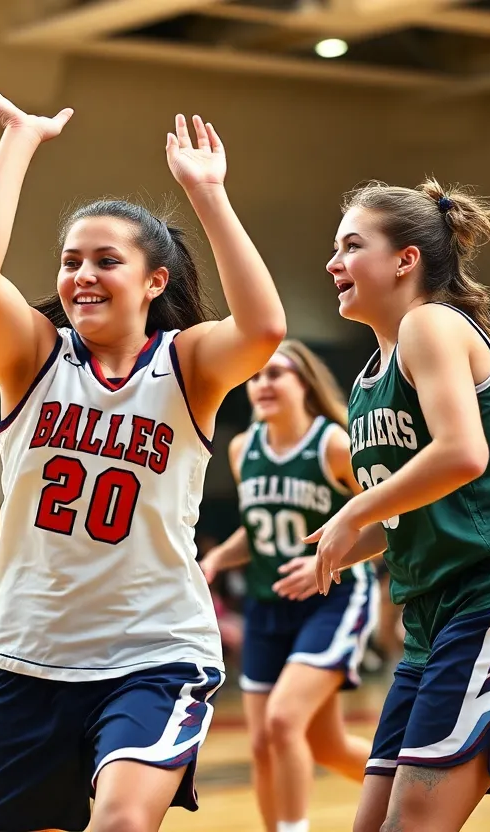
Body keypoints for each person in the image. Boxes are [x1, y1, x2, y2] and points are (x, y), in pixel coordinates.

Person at [0, 64, 286, 832]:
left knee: (123, 823)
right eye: (69, 260)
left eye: (105, 260)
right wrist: (18, 140)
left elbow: (263, 329)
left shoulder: (186, 366)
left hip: (154, 650)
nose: (81, 275)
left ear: (156, 280)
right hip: (25, 655)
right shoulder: (32, 357)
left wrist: (208, 195)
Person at [312, 179, 490, 832]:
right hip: (431, 617)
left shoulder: (429, 324)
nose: (333, 264)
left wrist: (351, 511)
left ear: (405, 260)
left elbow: (462, 455)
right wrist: (332, 547)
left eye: (352, 246)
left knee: (411, 823)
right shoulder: (366, 382)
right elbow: (406, 514)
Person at [200, 340, 377, 832]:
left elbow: (386, 520)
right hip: (266, 605)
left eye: (276, 373)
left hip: (331, 598)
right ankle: (415, 793)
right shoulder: (242, 448)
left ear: (304, 384)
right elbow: (258, 529)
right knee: (307, 745)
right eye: (256, 376)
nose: (263, 384)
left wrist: (328, 558)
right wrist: (216, 557)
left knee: (281, 722)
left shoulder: (334, 445)